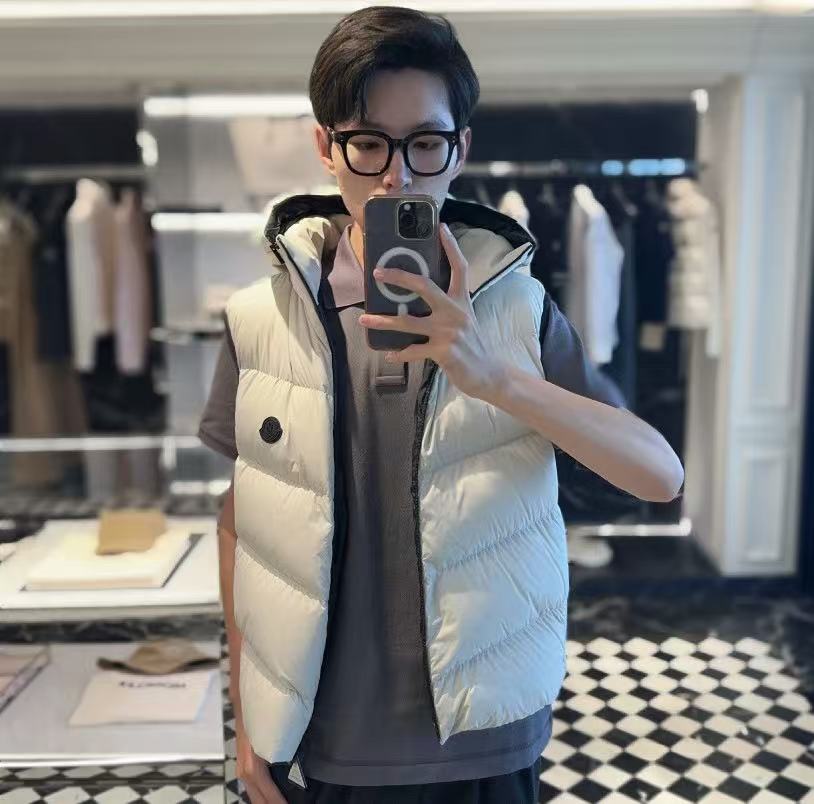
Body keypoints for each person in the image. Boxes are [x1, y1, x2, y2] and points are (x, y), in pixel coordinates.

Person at [199, 6, 685, 803]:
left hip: (482, 743)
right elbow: (241, 525)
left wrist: (496, 378)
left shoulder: (519, 311)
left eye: (425, 142)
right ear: (325, 146)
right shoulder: (261, 320)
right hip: (326, 739)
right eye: (368, 142)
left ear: (461, 148)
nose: (397, 176)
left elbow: (658, 476)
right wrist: (250, 728)